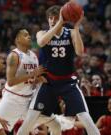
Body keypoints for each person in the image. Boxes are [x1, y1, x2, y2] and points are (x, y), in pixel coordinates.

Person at [17, 5, 100, 135]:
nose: (52, 20)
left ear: (63, 19)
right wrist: (60, 22)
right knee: (29, 120)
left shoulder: (71, 32)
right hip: (48, 83)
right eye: (50, 18)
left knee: (86, 118)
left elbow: (79, 52)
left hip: (68, 82)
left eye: (56, 18)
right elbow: (41, 43)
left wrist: (76, 27)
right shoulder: (42, 33)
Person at [0, 28, 46, 132]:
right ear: (17, 39)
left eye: (29, 35)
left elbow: (31, 80)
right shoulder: (14, 56)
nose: (29, 37)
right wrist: (32, 74)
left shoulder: (33, 56)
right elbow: (11, 82)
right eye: (25, 35)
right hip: (12, 100)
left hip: (28, 100)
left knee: (43, 128)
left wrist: (38, 79)